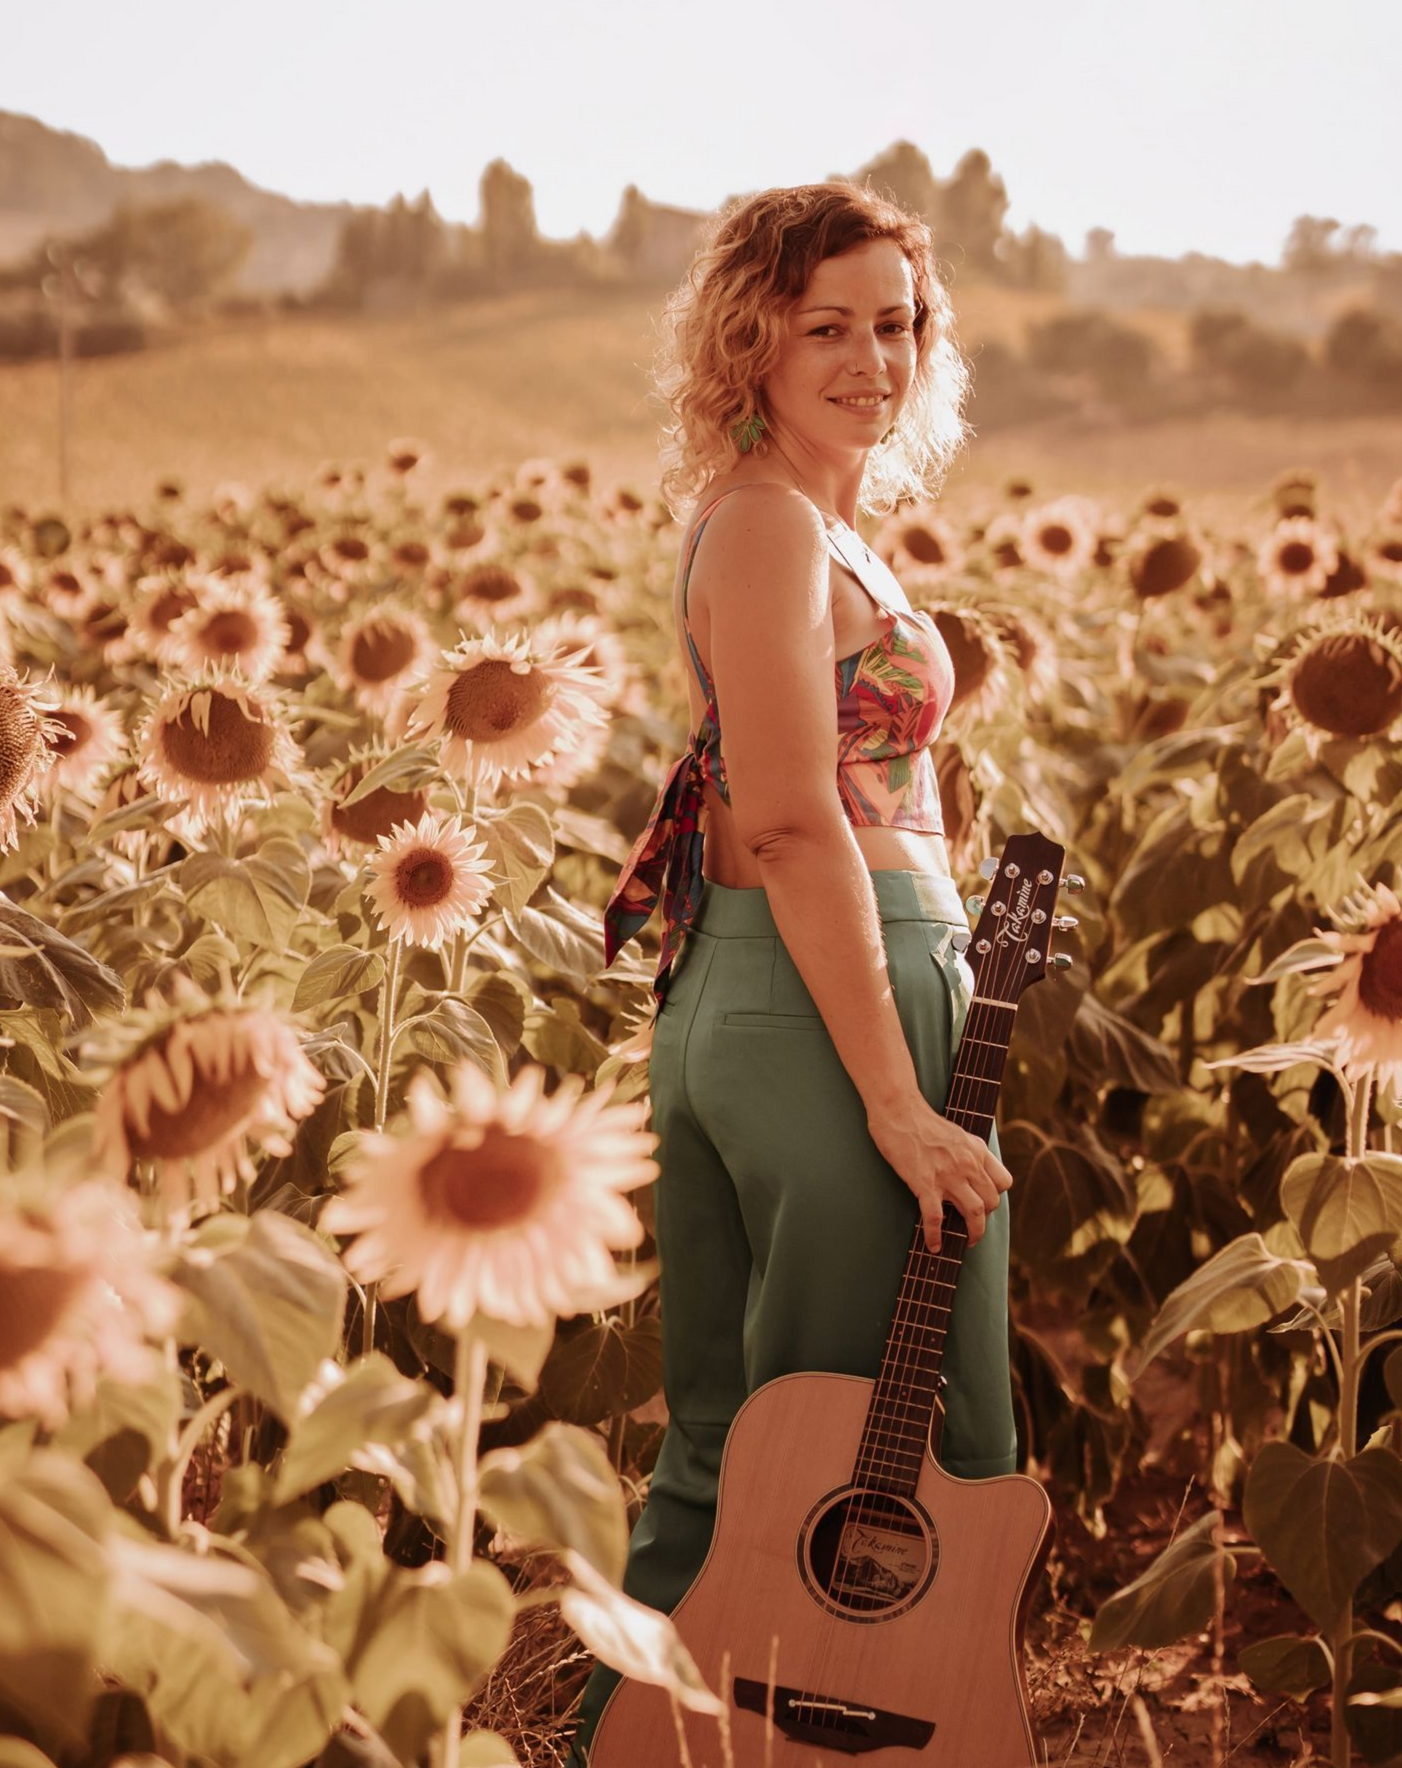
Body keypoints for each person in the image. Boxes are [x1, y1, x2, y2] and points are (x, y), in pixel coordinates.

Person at [563, 182, 1018, 1764]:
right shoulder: (764, 525)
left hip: (800, 991)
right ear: (748, 339)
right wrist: (896, 1098)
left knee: (738, 1460)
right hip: (828, 1004)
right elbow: (795, 823)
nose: (869, 357)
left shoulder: (818, 528)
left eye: (895, 323)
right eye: (826, 325)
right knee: (871, 1469)